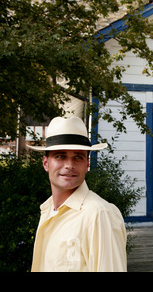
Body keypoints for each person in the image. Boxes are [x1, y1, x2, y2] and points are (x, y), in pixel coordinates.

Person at [27, 116, 127, 272]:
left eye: (78, 157)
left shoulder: (99, 214)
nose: (69, 165)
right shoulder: (48, 210)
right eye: (60, 156)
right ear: (46, 163)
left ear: (87, 164)